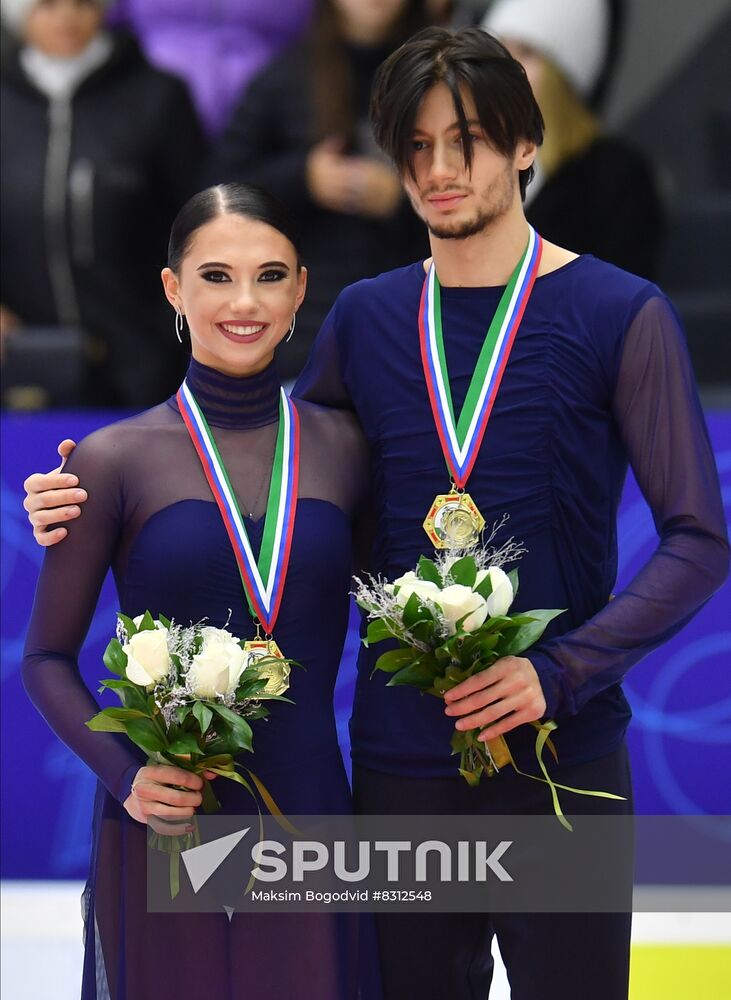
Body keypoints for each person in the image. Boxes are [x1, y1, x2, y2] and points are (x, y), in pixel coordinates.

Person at [23, 28, 729, 1000]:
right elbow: (265, 477)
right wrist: (76, 492)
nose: (440, 169)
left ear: (527, 143)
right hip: (399, 773)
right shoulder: (364, 315)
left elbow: (697, 539)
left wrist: (559, 671)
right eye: (415, 146)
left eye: (468, 140)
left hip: (561, 767)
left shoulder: (621, 313)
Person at [22, 182, 377, 999]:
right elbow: (45, 657)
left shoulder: (349, 449)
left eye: (269, 275)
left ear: (299, 292)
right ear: (173, 290)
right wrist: (126, 778)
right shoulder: (113, 459)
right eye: (215, 276)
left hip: (311, 818)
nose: (243, 301)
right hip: (163, 822)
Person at [0, 0, 205, 407]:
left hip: (146, 358)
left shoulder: (159, 97)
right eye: (47, 4)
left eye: (83, 3)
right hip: (21, 363)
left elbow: (200, 219)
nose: (67, 17)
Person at [209, 0, 430, 376]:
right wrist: (304, 179)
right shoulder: (284, 79)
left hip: (414, 333)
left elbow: (487, 193)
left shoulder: (440, 79)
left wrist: (405, 197)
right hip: (302, 334)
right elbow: (216, 195)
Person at [482, 0, 663, 279]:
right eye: (501, 53)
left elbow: (623, 297)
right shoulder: (472, 165)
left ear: (560, 73)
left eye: (526, 53)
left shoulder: (617, 176)